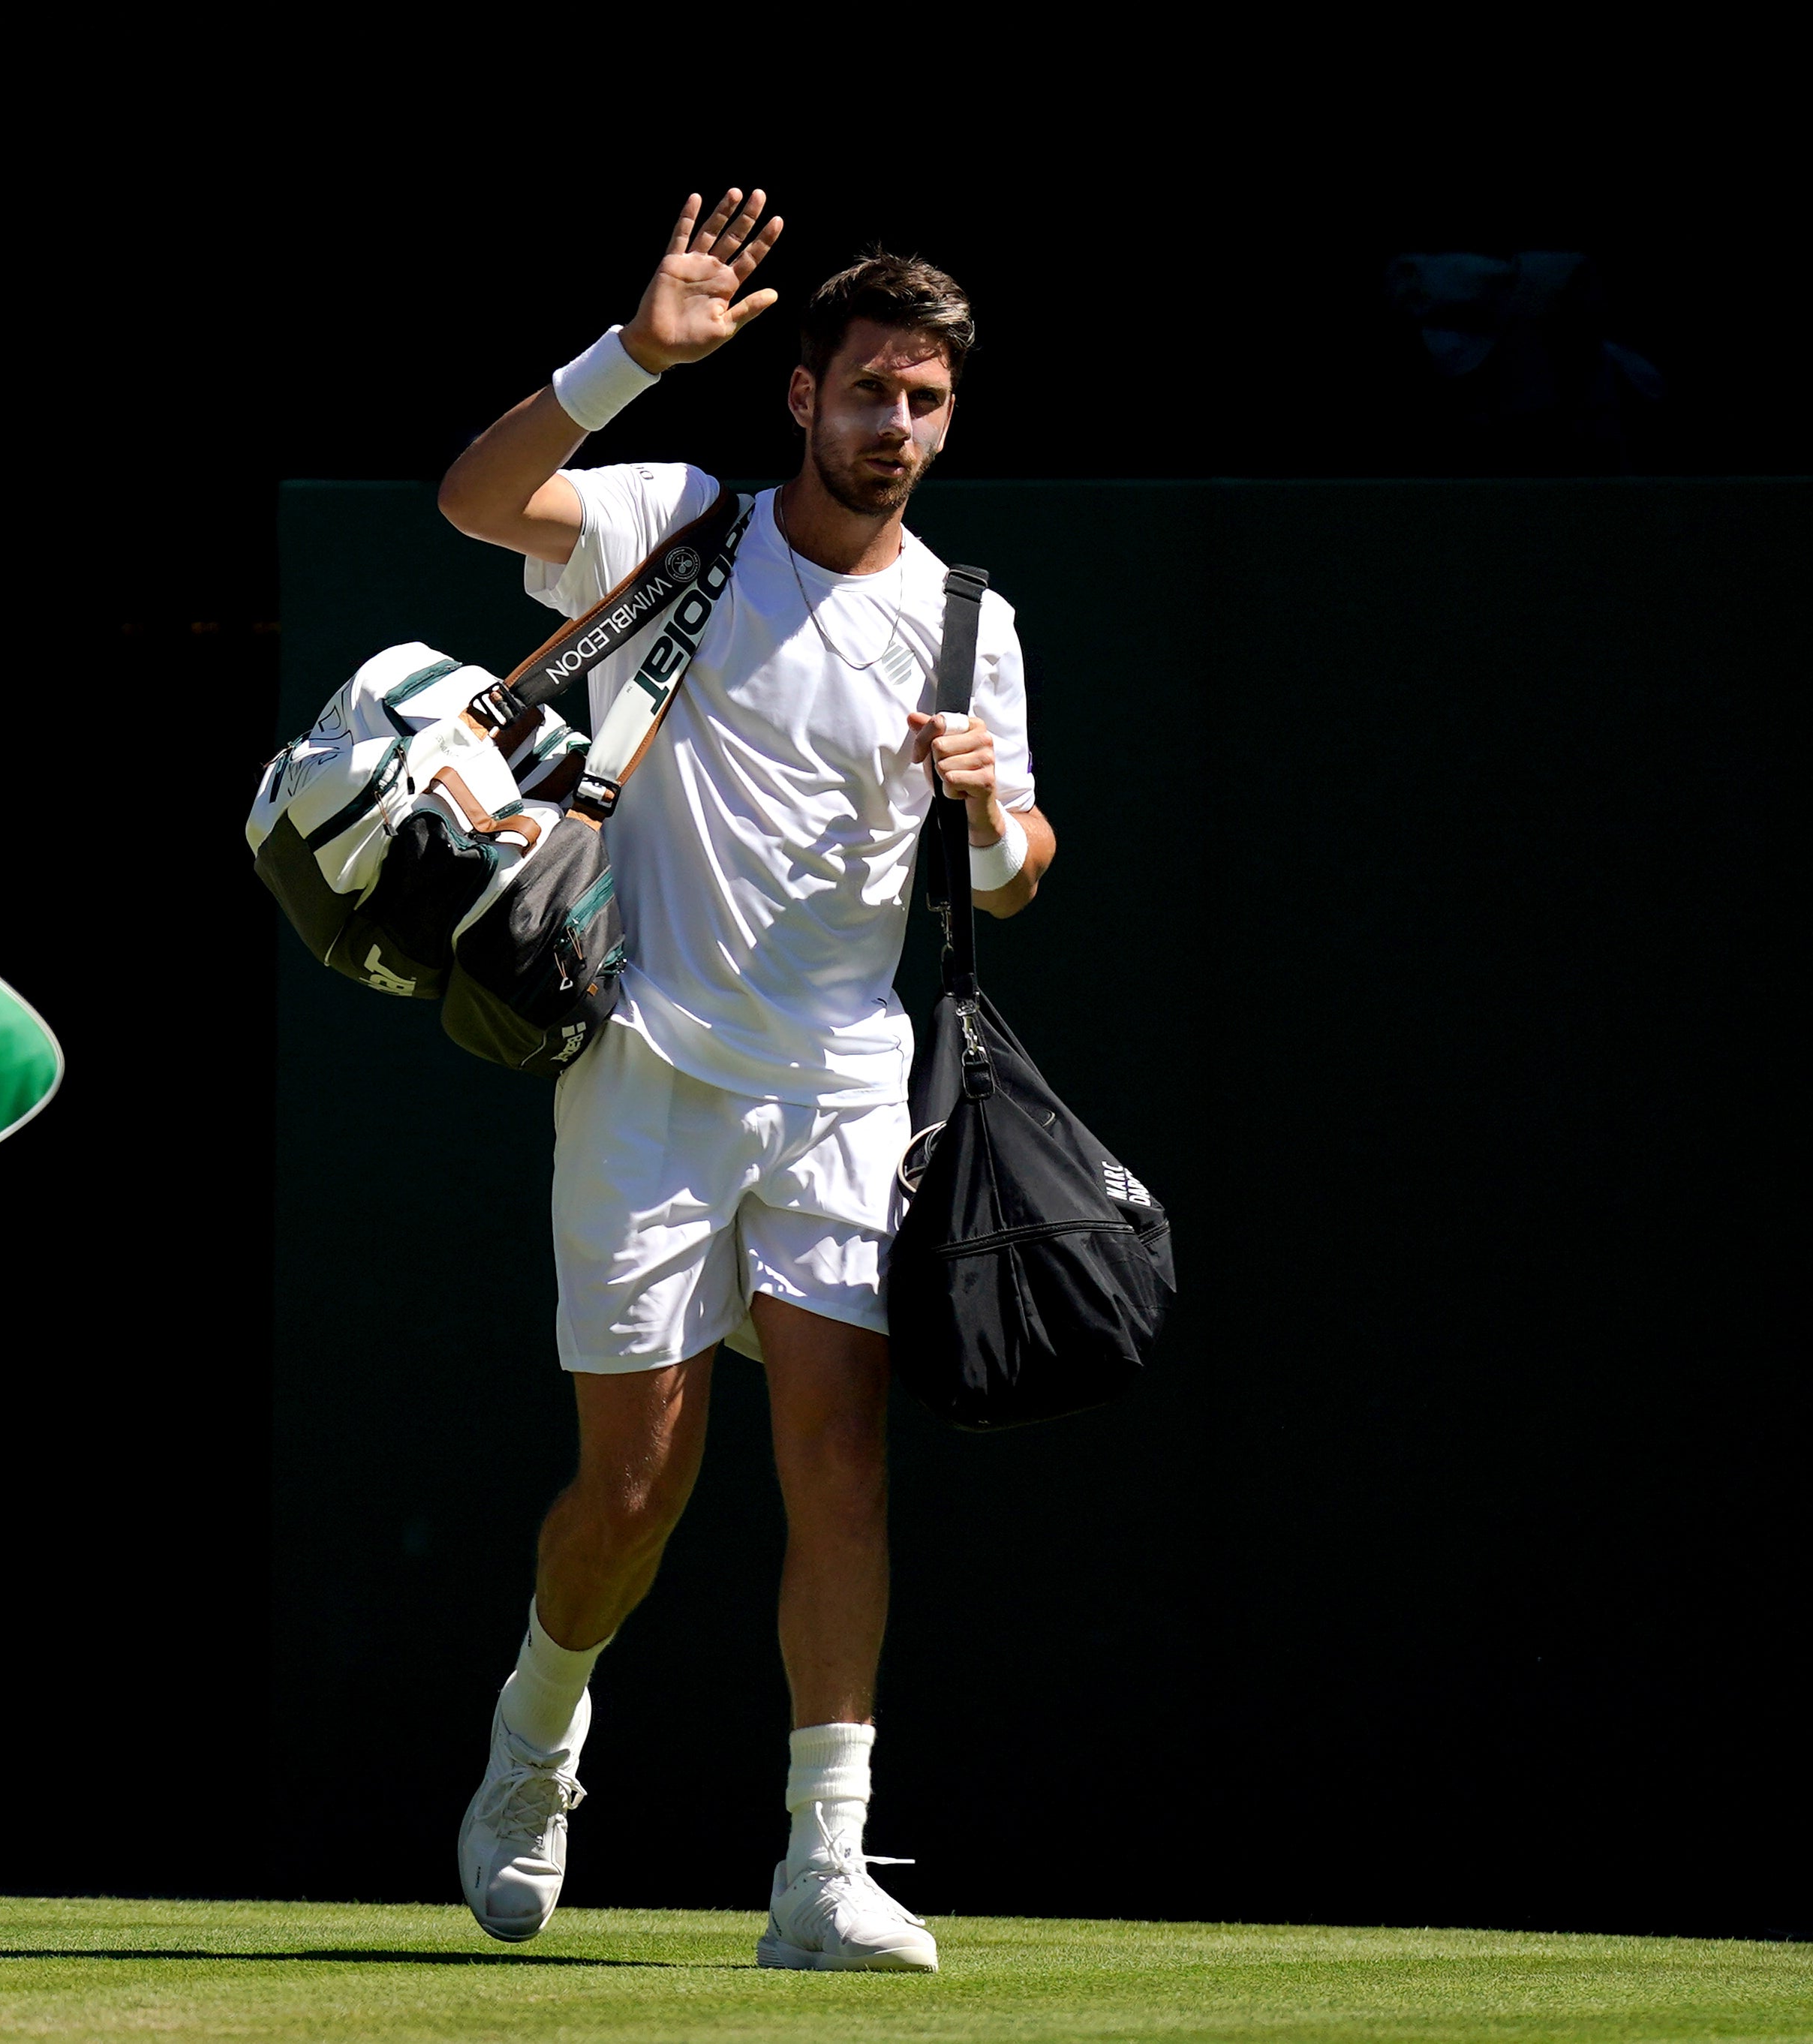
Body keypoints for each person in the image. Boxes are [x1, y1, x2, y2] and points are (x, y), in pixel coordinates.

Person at [434, 192, 1056, 1970]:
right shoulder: (677, 524)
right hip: (644, 1075)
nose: (899, 430)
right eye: (870, 392)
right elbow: (478, 502)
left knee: (842, 1463)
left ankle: (823, 1870)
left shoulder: (968, 623)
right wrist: (632, 356)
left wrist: (988, 811)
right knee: (632, 1495)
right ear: (801, 393)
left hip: (850, 1093)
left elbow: (1020, 868)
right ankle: (538, 1740)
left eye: (927, 403)